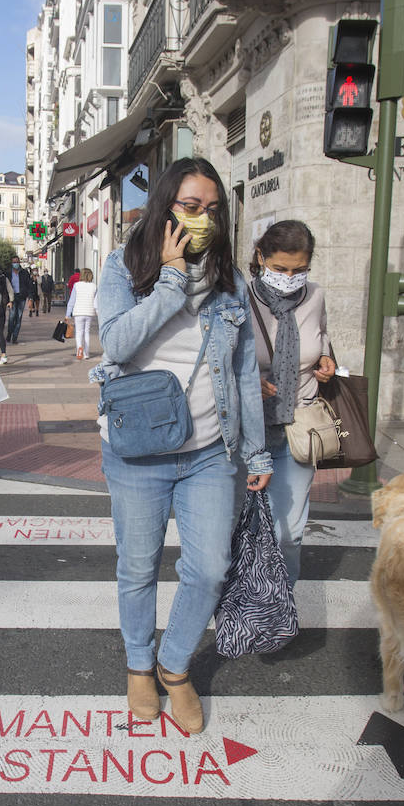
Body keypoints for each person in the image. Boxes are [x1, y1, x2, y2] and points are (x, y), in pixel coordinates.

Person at [93, 156, 272, 735]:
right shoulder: (123, 269)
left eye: (213, 211)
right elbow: (117, 346)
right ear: (165, 208)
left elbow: (243, 371)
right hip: (137, 450)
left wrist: (258, 450)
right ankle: (138, 666)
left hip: (208, 450)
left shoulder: (230, 282)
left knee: (209, 569)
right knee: (138, 567)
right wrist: (170, 279)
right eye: (190, 208)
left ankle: (174, 666)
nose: (202, 220)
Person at [245, 220, 335, 587]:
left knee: (289, 532)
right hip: (249, 429)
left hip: (299, 426)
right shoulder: (241, 298)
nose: (289, 277)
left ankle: (279, 607)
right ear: (261, 257)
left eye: (299, 269)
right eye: (280, 268)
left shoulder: (315, 297)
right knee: (244, 524)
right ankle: (240, 599)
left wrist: (326, 361)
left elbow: (322, 338)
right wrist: (249, 382)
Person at [65, 267, 97, 360]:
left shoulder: (77, 285)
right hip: (89, 312)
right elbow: (96, 301)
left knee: (79, 332)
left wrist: (68, 314)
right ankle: (86, 353)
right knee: (87, 332)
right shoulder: (94, 286)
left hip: (78, 312)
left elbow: (72, 301)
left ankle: (79, 349)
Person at [5, 254, 34, 344]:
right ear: (11, 263)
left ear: (19, 262)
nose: (16, 264)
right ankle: (9, 333)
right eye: (14, 262)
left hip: (21, 297)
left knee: (19, 317)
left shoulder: (24, 272)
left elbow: (29, 286)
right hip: (12, 298)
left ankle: (15, 337)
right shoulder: (8, 273)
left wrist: (30, 298)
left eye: (17, 262)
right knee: (12, 316)